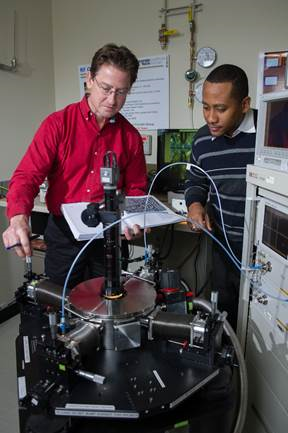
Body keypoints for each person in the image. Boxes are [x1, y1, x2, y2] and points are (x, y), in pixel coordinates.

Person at [2, 43, 147, 288]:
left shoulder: (130, 137)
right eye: (106, 88)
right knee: (61, 306)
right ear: (89, 79)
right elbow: (27, 176)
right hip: (63, 236)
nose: (112, 100)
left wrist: (136, 219)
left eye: (122, 92)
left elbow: (136, 188)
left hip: (108, 237)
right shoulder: (57, 125)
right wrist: (18, 219)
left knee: (106, 308)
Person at [185, 64, 257, 330]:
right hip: (223, 248)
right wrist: (194, 206)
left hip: (262, 252)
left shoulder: (270, 133)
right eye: (205, 107)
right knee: (225, 318)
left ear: (245, 104)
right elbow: (195, 180)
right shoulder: (202, 140)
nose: (211, 118)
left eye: (221, 108)